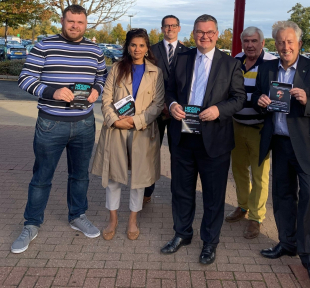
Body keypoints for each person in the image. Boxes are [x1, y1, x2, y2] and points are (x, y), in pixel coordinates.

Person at [11, 5, 107, 254]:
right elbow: (25, 78)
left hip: (85, 123)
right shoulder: (44, 46)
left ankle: (77, 215)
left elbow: (102, 77)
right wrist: (51, 91)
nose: (75, 26)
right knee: (42, 177)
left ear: (87, 24)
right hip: (50, 123)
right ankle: (31, 224)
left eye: (80, 22)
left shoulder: (95, 50)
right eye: (71, 21)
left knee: (80, 175)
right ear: (62, 21)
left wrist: (98, 89)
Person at [251, 21, 310, 285]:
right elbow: (255, 99)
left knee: (308, 197)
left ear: (298, 43)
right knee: (283, 195)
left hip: (307, 147)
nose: (285, 47)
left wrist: (307, 102)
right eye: (280, 42)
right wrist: (261, 102)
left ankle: (309, 256)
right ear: (274, 45)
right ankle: (286, 243)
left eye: (289, 42)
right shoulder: (266, 68)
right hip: (279, 142)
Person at [160, 14, 246, 264]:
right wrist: (173, 103)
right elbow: (169, 89)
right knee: (181, 190)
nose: (204, 36)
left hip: (215, 140)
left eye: (209, 32)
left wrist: (219, 110)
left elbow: (239, 98)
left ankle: (210, 242)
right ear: (193, 33)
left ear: (217, 34)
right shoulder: (182, 58)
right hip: (183, 137)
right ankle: (182, 233)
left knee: (213, 195)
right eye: (200, 32)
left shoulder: (230, 64)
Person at [91, 28, 164, 241]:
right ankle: (112, 219)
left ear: (147, 48)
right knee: (114, 178)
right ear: (127, 46)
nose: (137, 49)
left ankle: (133, 219)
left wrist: (136, 120)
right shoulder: (116, 69)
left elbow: (158, 103)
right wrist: (115, 120)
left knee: (138, 180)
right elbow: (106, 99)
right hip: (116, 131)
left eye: (142, 45)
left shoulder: (155, 72)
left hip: (142, 131)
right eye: (133, 45)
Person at [225, 27, 277, 239]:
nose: (250, 45)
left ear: (262, 43)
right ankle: (243, 206)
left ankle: (256, 218)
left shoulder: (272, 63)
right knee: (238, 170)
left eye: (254, 41)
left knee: (260, 176)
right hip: (236, 125)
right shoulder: (236, 60)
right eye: (246, 41)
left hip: (260, 128)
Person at [143, 15, 189, 203]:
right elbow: (146, 81)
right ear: (162, 29)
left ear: (179, 28)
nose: (170, 28)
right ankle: (146, 192)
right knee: (150, 153)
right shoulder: (151, 51)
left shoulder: (188, 53)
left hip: (179, 112)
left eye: (173, 25)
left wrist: (174, 104)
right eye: (166, 26)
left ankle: (177, 194)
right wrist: (159, 103)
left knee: (178, 155)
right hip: (155, 110)